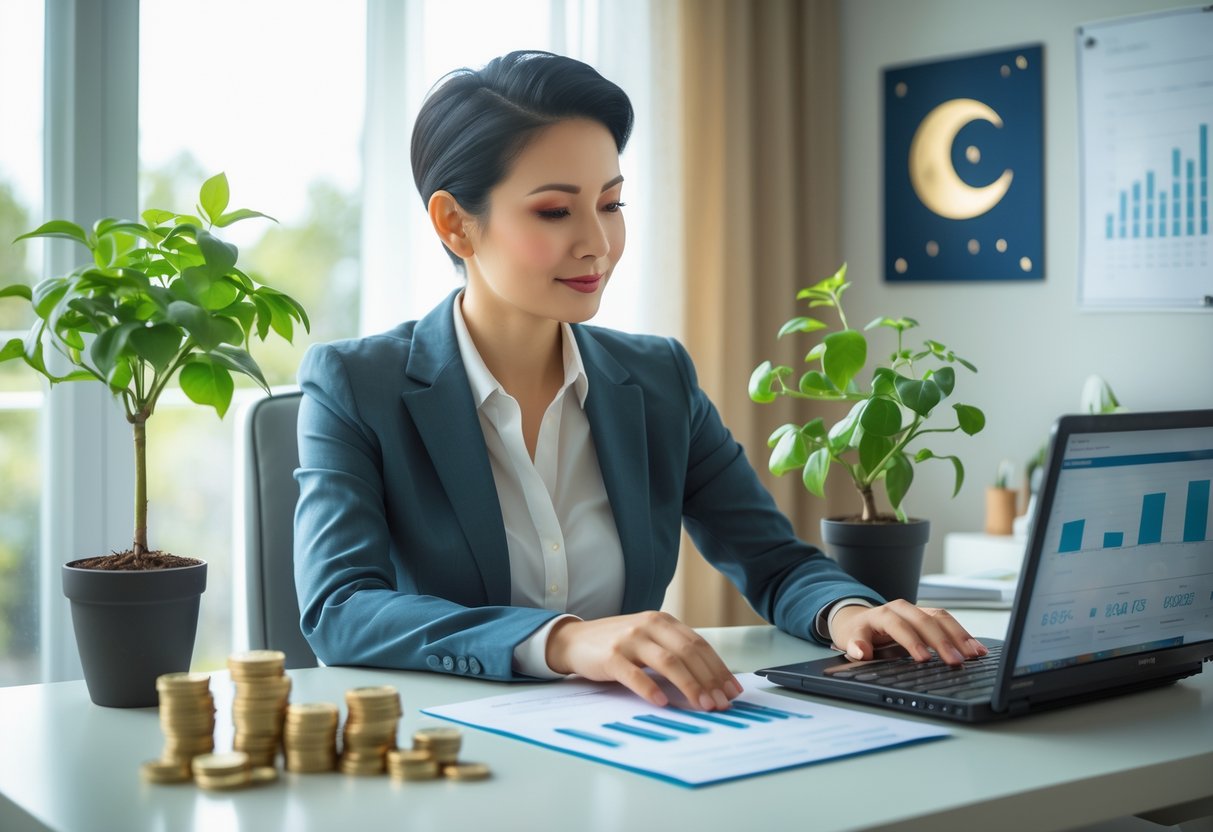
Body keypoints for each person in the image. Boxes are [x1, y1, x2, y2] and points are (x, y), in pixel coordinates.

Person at [293, 50, 986, 713]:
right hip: (448, 755)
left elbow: (774, 563)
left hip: (633, 743)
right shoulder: (355, 385)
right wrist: (564, 640)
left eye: (612, 203)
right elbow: (341, 607)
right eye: (555, 211)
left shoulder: (656, 379)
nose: (596, 242)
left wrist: (849, 612)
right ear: (455, 224)